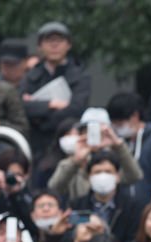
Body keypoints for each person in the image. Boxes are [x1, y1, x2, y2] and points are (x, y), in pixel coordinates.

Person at [20, 22, 92, 156]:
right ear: (40, 46)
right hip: (37, 146)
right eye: (48, 40)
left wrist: (40, 114)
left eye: (59, 40)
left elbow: (76, 108)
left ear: (69, 45)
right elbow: (23, 107)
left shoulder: (81, 76)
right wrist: (51, 104)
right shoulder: (31, 76)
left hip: (69, 143)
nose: (54, 45)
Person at [47, 108, 143, 202]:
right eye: (88, 130)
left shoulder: (117, 158)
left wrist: (118, 145)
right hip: (82, 213)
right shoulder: (75, 161)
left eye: (100, 131)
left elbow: (135, 176)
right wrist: (75, 161)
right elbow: (54, 187)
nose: (95, 135)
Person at [106, 92, 151, 207]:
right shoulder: (118, 142)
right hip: (123, 210)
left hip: (147, 208)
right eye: (114, 124)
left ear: (135, 116)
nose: (117, 127)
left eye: (120, 123)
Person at [67, 149, 140, 242]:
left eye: (108, 172)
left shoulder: (131, 206)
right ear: (89, 177)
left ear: (117, 176)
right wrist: (87, 221)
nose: (103, 176)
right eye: (97, 172)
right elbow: (71, 233)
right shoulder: (77, 205)